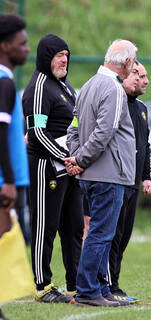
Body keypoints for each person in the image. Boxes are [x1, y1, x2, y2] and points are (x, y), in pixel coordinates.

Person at [65, 39, 137, 307]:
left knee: (100, 233)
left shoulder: (87, 86)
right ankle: (87, 292)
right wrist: (81, 159)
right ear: (127, 63)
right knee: (101, 234)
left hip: (91, 174)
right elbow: (106, 131)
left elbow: (73, 128)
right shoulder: (115, 89)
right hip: (108, 174)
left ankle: (101, 288)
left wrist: (76, 158)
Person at [22, 34, 83, 303]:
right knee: (44, 227)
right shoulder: (39, 87)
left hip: (69, 169)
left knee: (73, 227)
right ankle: (42, 287)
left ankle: (75, 285)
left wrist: (78, 156)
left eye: (67, 56)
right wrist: (65, 156)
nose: (64, 61)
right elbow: (36, 132)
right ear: (47, 57)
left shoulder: (65, 86)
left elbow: (74, 124)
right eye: (59, 56)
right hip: (46, 167)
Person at [109, 62, 151, 303]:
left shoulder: (143, 108)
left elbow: (145, 146)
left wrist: (146, 176)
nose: (146, 81)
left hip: (134, 183)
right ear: (130, 76)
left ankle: (113, 282)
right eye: (142, 76)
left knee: (124, 235)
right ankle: (107, 284)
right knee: (111, 235)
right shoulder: (116, 103)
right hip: (115, 179)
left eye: (146, 76)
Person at [0, 13, 30, 320]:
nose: (27, 49)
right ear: (6, 46)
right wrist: (8, 180)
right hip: (4, 182)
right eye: (22, 44)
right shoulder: (4, 83)